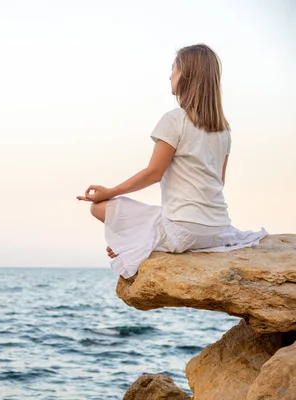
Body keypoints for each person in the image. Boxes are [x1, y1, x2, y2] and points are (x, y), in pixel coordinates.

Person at [76, 44, 268, 279]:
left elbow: (153, 173)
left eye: (174, 70)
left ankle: (135, 243)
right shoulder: (223, 130)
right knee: (144, 221)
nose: (170, 76)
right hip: (219, 230)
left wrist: (109, 191)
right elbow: (219, 181)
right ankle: (135, 242)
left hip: (185, 231)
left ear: (186, 76)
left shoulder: (175, 119)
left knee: (99, 207)